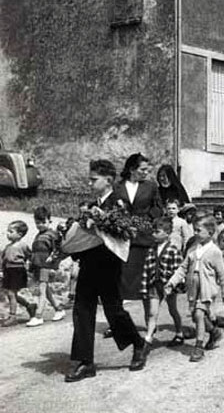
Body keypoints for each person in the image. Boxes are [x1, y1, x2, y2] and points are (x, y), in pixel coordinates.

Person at [66, 159, 149, 382]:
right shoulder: (92, 204)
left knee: (114, 312)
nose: (90, 183)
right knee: (82, 310)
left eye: (94, 180)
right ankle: (85, 362)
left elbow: (123, 234)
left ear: (109, 180)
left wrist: (99, 220)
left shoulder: (118, 203)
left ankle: (139, 343)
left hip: (109, 266)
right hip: (88, 265)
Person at [165, 215, 224, 361]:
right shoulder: (193, 250)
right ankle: (214, 332)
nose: (195, 233)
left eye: (199, 230)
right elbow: (182, 268)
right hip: (193, 288)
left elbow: (222, 274)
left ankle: (198, 347)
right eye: (194, 230)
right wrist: (172, 282)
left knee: (199, 314)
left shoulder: (215, 252)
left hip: (207, 289)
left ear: (210, 232)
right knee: (195, 316)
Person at [112, 153, 163, 301]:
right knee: (122, 280)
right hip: (123, 238)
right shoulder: (117, 187)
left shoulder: (151, 186)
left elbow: (158, 208)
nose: (146, 173)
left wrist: (147, 219)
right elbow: (111, 208)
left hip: (143, 237)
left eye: (147, 170)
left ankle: (150, 322)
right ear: (132, 169)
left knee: (144, 283)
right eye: (143, 170)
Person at [140, 217, 184, 350]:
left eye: (157, 232)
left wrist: (173, 285)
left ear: (167, 233)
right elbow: (146, 269)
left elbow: (178, 270)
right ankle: (148, 338)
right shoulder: (151, 249)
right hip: (155, 285)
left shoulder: (173, 249)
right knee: (152, 312)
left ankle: (179, 332)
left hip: (168, 285)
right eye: (153, 231)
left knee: (172, 310)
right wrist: (143, 287)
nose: (154, 234)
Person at [26, 206, 64, 327]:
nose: (40, 225)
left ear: (49, 221)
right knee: (46, 290)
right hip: (38, 265)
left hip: (46, 266)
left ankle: (38, 316)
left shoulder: (52, 235)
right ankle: (59, 309)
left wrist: (53, 260)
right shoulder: (39, 235)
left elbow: (59, 249)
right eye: (37, 223)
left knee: (42, 290)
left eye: (43, 222)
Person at [1, 221, 37, 326]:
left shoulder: (22, 245)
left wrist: (31, 267)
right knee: (10, 293)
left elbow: (30, 256)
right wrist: (2, 271)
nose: (7, 233)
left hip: (17, 271)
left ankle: (12, 317)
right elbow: (3, 260)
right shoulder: (7, 247)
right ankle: (29, 305)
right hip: (8, 271)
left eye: (11, 231)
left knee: (11, 293)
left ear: (20, 234)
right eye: (7, 231)